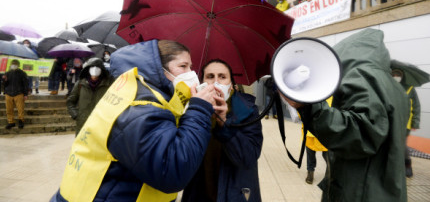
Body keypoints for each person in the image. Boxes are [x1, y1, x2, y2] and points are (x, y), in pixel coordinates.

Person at [50, 39, 219, 201]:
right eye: (183, 66)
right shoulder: (140, 106)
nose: (191, 73)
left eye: (191, 67)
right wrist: (199, 109)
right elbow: (172, 171)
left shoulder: (142, 93)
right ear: (158, 69)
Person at [281, 29, 409, 201]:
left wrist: (309, 107)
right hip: (383, 187)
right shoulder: (394, 86)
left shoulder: (363, 75)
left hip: (360, 192)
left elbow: (362, 133)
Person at [181, 59, 263, 202]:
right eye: (210, 77)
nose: (216, 82)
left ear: (231, 85)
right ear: (202, 83)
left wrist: (224, 123)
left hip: (234, 193)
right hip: (198, 191)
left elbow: (248, 158)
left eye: (222, 77)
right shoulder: (190, 108)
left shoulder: (248, 110)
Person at [67, 58, 114, 136]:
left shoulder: (108, 84)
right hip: (83, 123)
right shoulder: (80, 84)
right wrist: (76, 115)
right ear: (88, 69)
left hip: (102, 123)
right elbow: (70, 102)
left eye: (97, 67)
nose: (95, 70)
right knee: (82, 146)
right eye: (92, 67)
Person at [391, 68, 421, 178]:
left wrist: (415, 123)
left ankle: (407, 165)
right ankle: (393, 167)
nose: (396, 77)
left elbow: (416, 106)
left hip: (405, 124)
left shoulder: (410, 89)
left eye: (398, 75)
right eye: (394, 75)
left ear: (402, 77)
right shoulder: (388, 86)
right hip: (391, 121)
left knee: (401, 145)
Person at [3, 60, 29, 129]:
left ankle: (21, 121)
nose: (13, 65)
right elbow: (4, 85)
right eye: (12, 64)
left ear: (18, 65)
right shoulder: (7, 73)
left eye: (15, 64)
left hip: (19, 93)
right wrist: (4, 80)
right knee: (9, 109)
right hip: (8, 93)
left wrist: (25, 94)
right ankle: (11, 122)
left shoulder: (22, 73)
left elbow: (25, 84)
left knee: (20, 109)